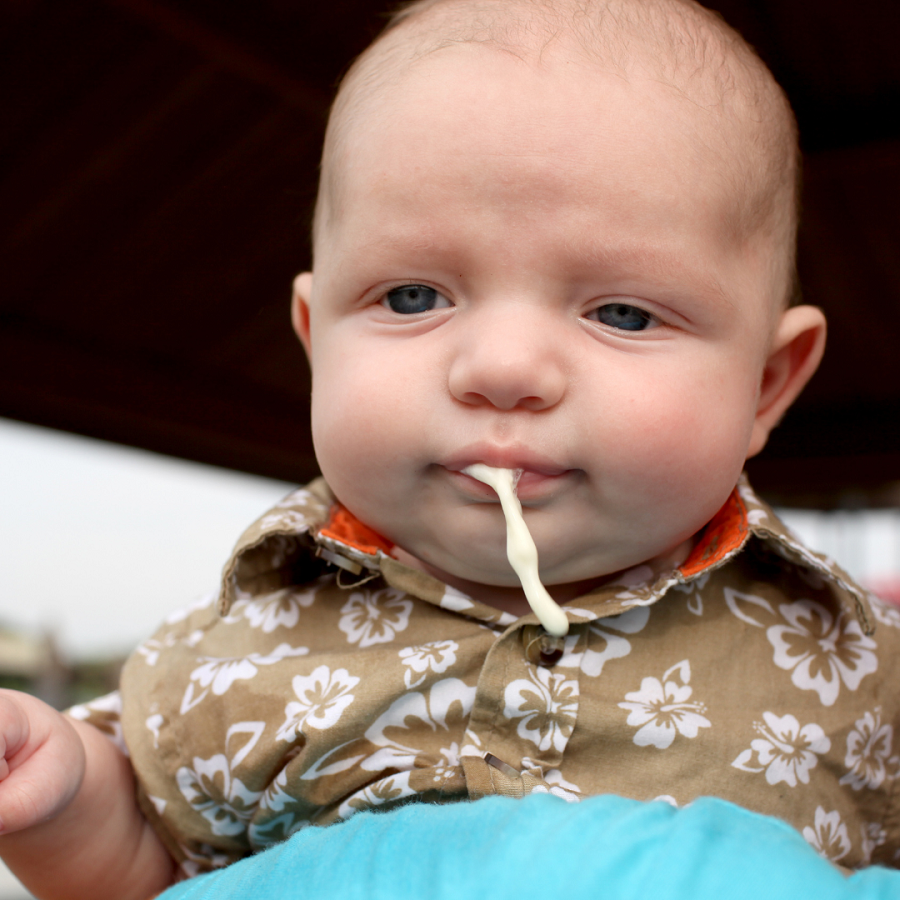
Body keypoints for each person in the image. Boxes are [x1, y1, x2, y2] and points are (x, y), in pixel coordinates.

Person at [3, 0, 900, 897]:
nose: (501, 368)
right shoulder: (229, 653)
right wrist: (62, 796)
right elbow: (145, 871)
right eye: (411, 298)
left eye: (622, 313)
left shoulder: (862, 671)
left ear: (767, 384)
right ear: (318, 342)